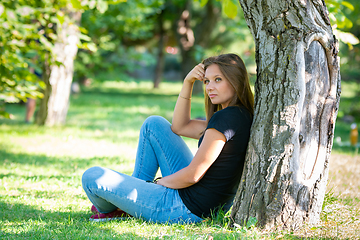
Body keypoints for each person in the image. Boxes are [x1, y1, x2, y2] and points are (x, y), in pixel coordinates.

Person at [82, 53, 254, 223]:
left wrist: (158, 184)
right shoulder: (240, 115)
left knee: (92, 176)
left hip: (186, 207)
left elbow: (193, 175)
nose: (209, 87)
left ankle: (125, 206)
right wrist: (188, 82)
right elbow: (180, 127)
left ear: (235, 81)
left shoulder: (225, 119)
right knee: (154, 124)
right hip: (203, 202)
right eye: (207, 81)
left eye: (218, 79)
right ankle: (133, 202)